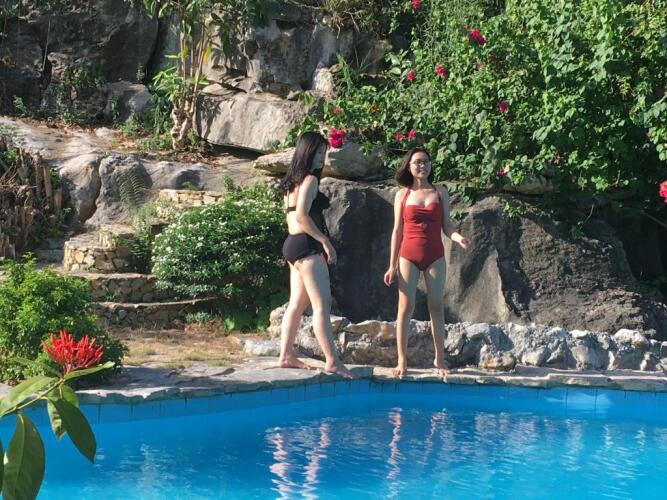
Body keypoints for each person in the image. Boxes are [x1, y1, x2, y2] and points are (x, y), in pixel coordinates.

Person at [383, 147, 471, 378]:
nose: (422, 166)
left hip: (435, 255)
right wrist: (392, 265)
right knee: (405, 307)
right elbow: (397, 231)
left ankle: (439, 358)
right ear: (409, 166)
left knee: (436, 306)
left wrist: (458, 237)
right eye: (417, 162)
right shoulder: (402, 195)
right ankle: (402, 359)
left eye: (425, 161)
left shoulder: (440, 192)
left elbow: (447, 225)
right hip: (408, 255)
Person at [278, 132, 354, 379]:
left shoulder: (290, 183)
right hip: (306, 244)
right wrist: (325, 242)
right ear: (306, 153)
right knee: (322, 305)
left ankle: (286, 355)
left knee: (297, 304)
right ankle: (332, 360)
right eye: (318, 152)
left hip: (292, 244)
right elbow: (302, 216)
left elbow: (292, 215)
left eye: (324, 152)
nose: (322, 158)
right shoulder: (310, 180)